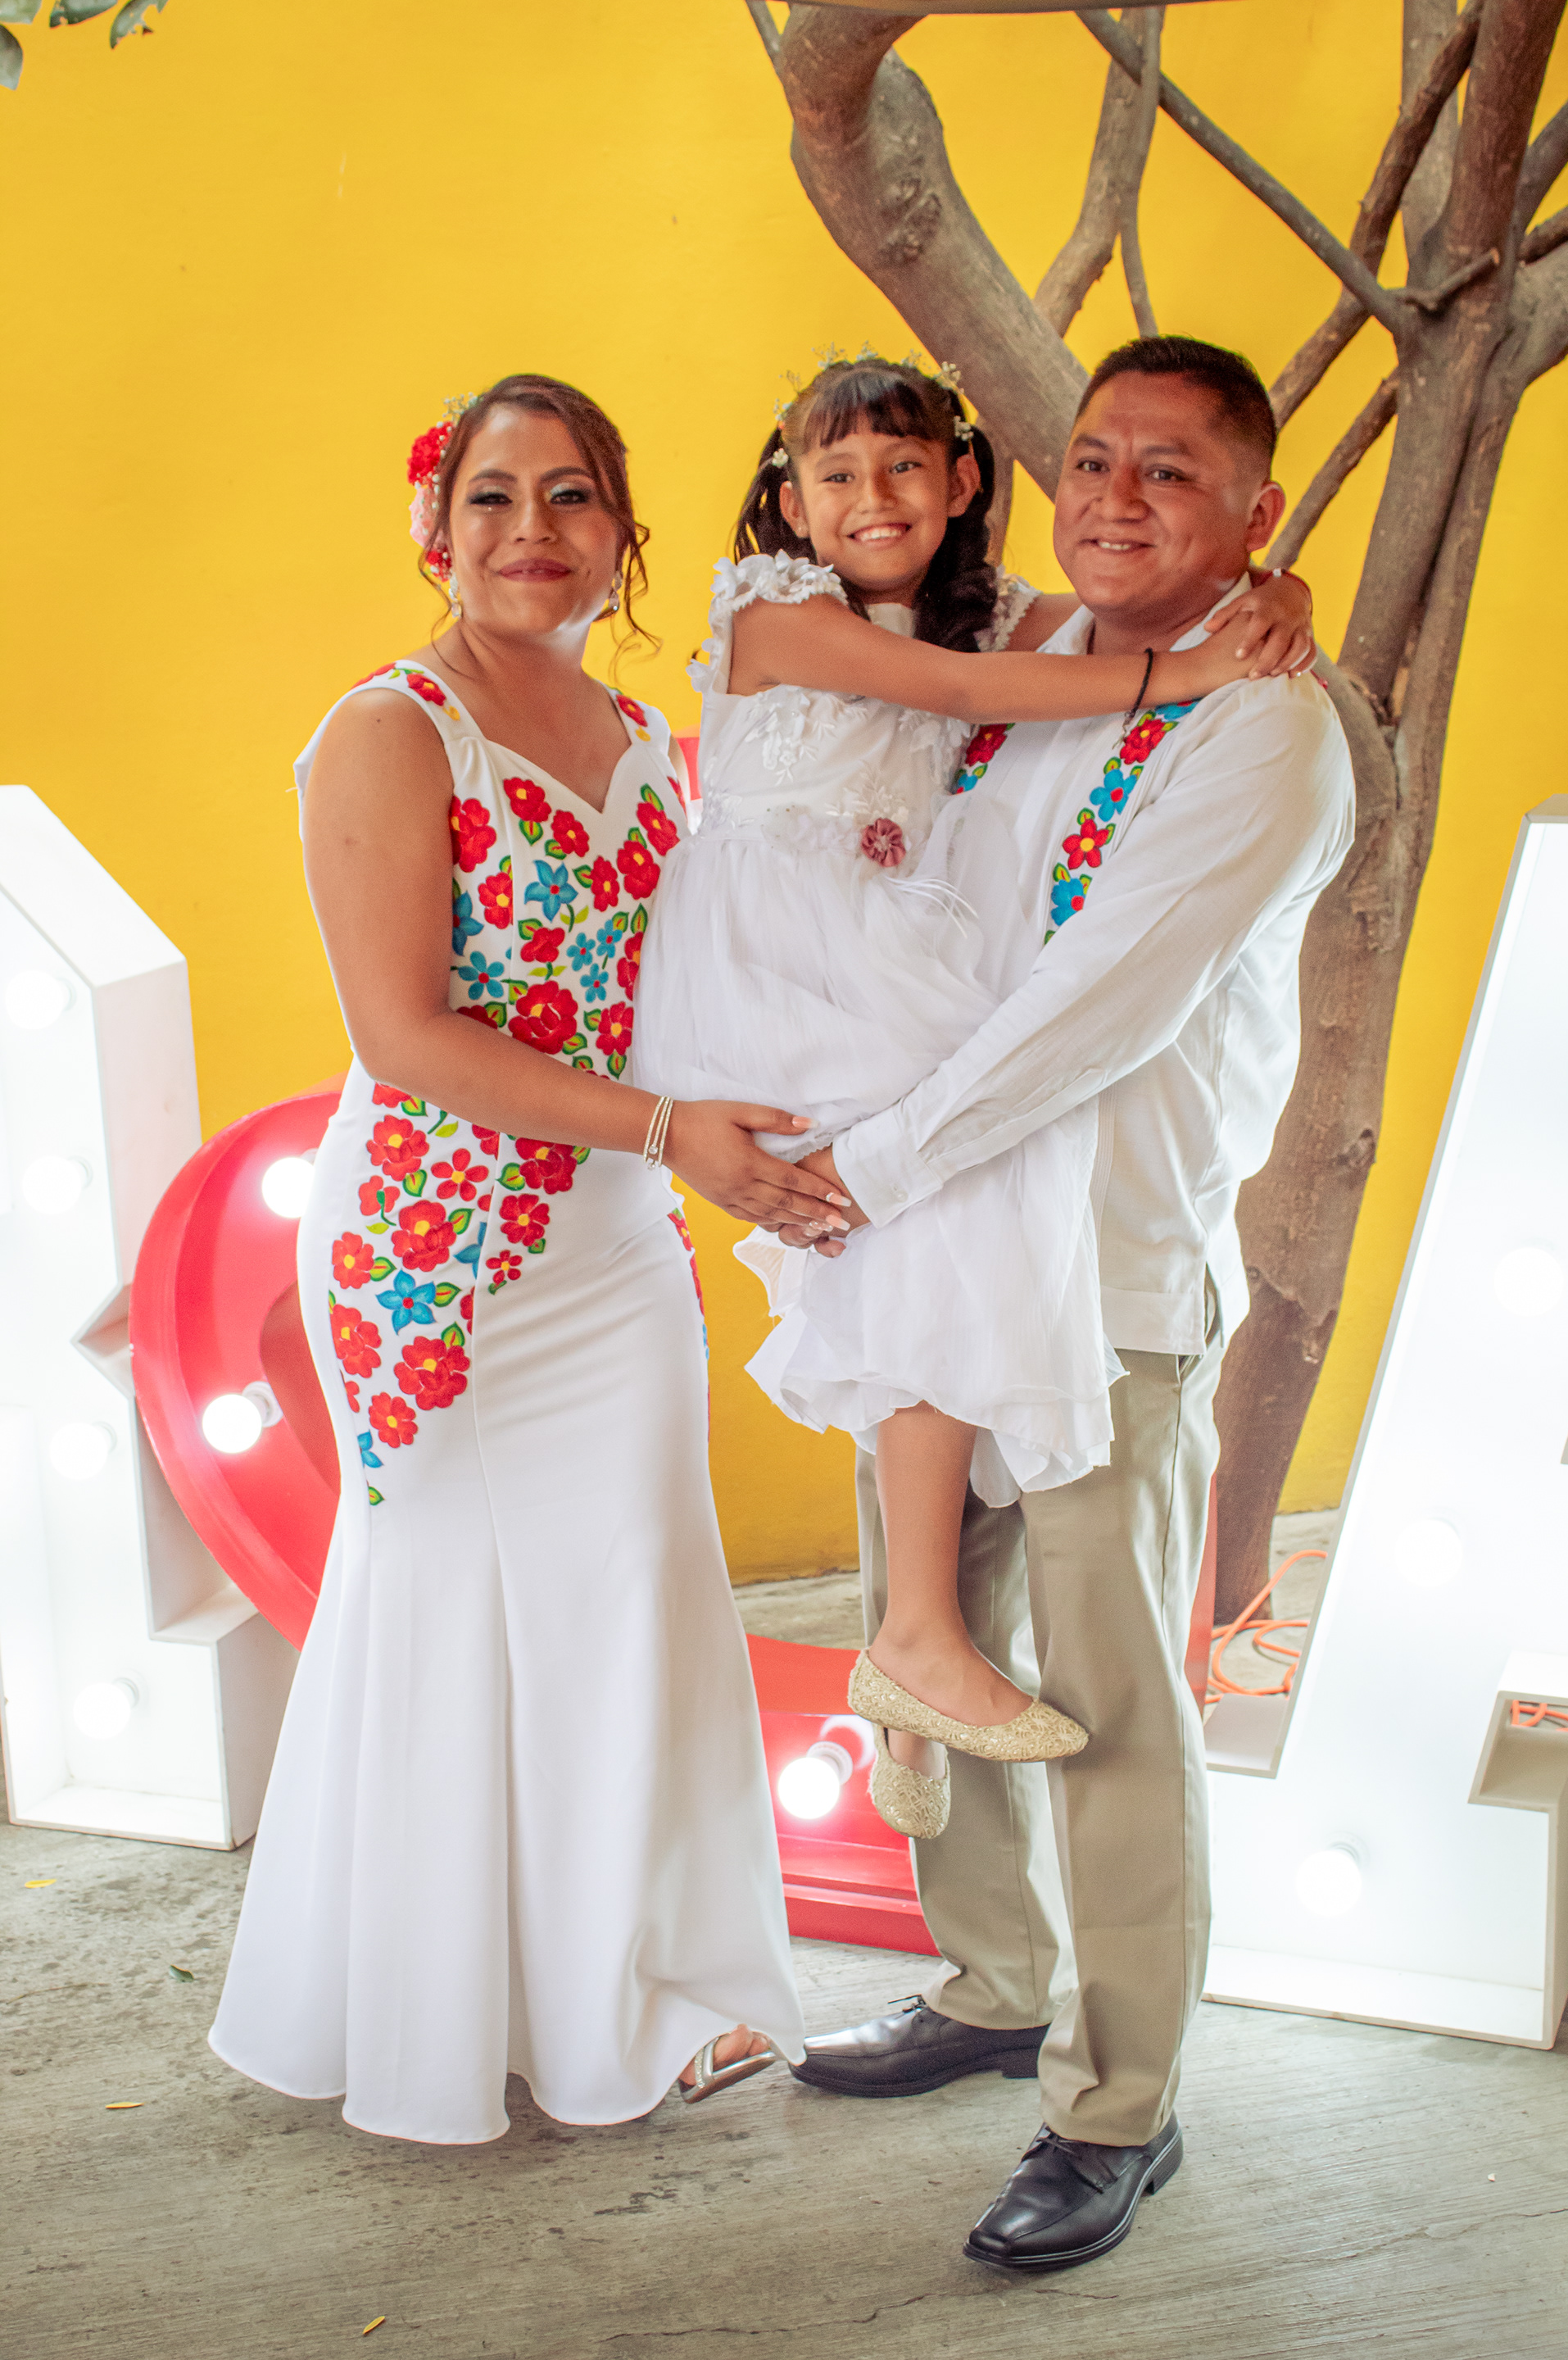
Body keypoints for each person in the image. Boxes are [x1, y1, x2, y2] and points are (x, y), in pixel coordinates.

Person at [208, 374, 854, 2140]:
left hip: (618, 1244)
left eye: (569, 496)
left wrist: (783, 1127)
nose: (530, 532)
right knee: (452, 1607)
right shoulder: (391, 731)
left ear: (621, 536)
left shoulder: (645, 734)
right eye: (492, 497)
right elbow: (405, 1035)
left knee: (626, 1602)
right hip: (439, 1254)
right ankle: (448, 2019)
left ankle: (628, 1999)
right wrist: (671, 1132)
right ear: (438, 530)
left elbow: (687, 990)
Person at [781, 337, 1357, 2273]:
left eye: (1171, 473)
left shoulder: (1265, 730)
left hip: (1105, 1273)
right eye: (1094, 459)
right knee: (926, 1643)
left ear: (1256, 514)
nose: (1117, 497)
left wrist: (859, 1171)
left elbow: (1088, 1010)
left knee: (1104, 1700)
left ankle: (1118, 2102)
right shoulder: (1024, 651)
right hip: (935, 1256)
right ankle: (989, 1981)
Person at [631, 352, 1312, 1840]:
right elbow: (965, 691)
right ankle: (920, 1638)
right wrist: (1188, 665)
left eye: (904, 469)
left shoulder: (1040, 634)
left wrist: (1270, 598)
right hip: (782, 964)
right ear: (790, 500)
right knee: (953, 1166)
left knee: (946, 1207)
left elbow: (1077, 633)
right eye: (835, 475)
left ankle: (916, 1643)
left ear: (957, 485)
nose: (871, 499)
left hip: (1080, 1216)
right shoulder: (789, 612)